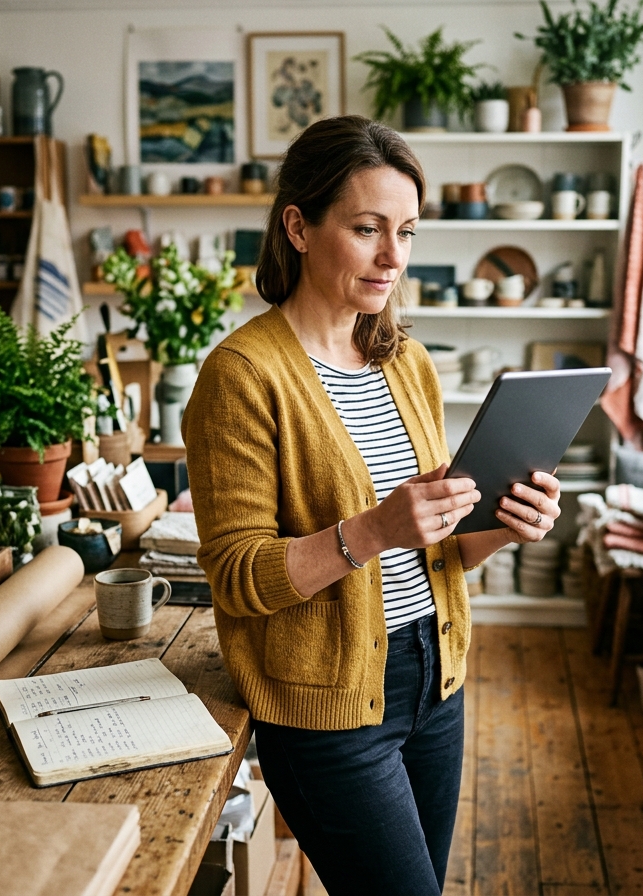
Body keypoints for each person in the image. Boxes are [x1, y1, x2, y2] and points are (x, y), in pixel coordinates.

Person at [183, 115, 561, 895]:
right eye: (367, 229)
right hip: (329, 710)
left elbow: (440, 548)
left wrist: (502, 525)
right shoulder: (242, 376)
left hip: (437, 679)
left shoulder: (407, 361)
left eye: (408, 232)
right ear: (298, 225)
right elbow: (236, 576)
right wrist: (372, 529)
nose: (394, 257)